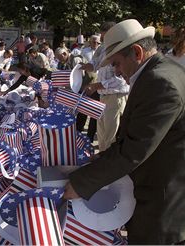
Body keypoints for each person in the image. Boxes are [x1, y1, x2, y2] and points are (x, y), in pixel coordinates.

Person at [64, 19, 185, 244]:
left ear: (137, 53)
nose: (117, 72)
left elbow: (134, 150)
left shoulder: (159, 82)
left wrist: (81, 184)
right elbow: (133, 137)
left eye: (117, 64)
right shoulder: (161, 71)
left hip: (164, 202)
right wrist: (100, 159)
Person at [81, 22, 129, 151]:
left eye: (105, 36)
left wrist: (98, 85)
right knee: (101, 131)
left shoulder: (121, 48)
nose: (102, 39)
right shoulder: (103, 47)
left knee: (110, 133)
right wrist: (84, 66)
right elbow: (95, 64)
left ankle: (107, 162)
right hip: (103, 94)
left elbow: (122, 79)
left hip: (115, 95)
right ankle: (101, 158)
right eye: (102, 36)